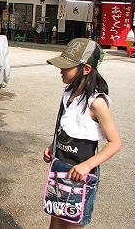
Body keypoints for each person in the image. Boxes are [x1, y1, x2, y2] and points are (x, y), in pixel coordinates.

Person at [43, 38, 122, 228]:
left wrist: (87, 165)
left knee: (72, 224)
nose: (60, 70)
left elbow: (115, 142)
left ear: (86, 69)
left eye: (66, 66)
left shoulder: (96, 103)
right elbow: (66, 127)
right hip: (60, 171)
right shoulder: (68, 94)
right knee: (55, 222)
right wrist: (53, 145)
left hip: (81, 178)